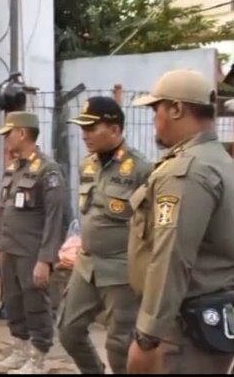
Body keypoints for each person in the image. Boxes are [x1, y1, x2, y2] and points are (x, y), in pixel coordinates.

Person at [125, 69, 234, 374]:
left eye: (155, 109)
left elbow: (172, 256)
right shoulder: (221, 161)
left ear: (176, 109)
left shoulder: (187, 171)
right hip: (205, 322)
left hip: (181, 331)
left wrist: (148, 336)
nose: (153, 119)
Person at [56, 97, 152, 374]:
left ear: (114, 129)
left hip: (121, 269)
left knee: (120, 345)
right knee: (68, 331)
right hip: (86, 266)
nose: (84, 134)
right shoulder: (87, 165)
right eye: (82, 127)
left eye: (91, 127)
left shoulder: (141, 169)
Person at [0, 111, 68, 374]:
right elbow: (4, 212)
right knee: (13, 302)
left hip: (32, 253)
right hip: (10, 250)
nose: (5, 140)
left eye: (8, 133)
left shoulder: (47, 170)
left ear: (22, 133)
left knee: (36, 305)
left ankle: (37, 359)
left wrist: (46, 259)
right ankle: (19, 351)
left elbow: (56, 218)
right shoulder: (13, 169)